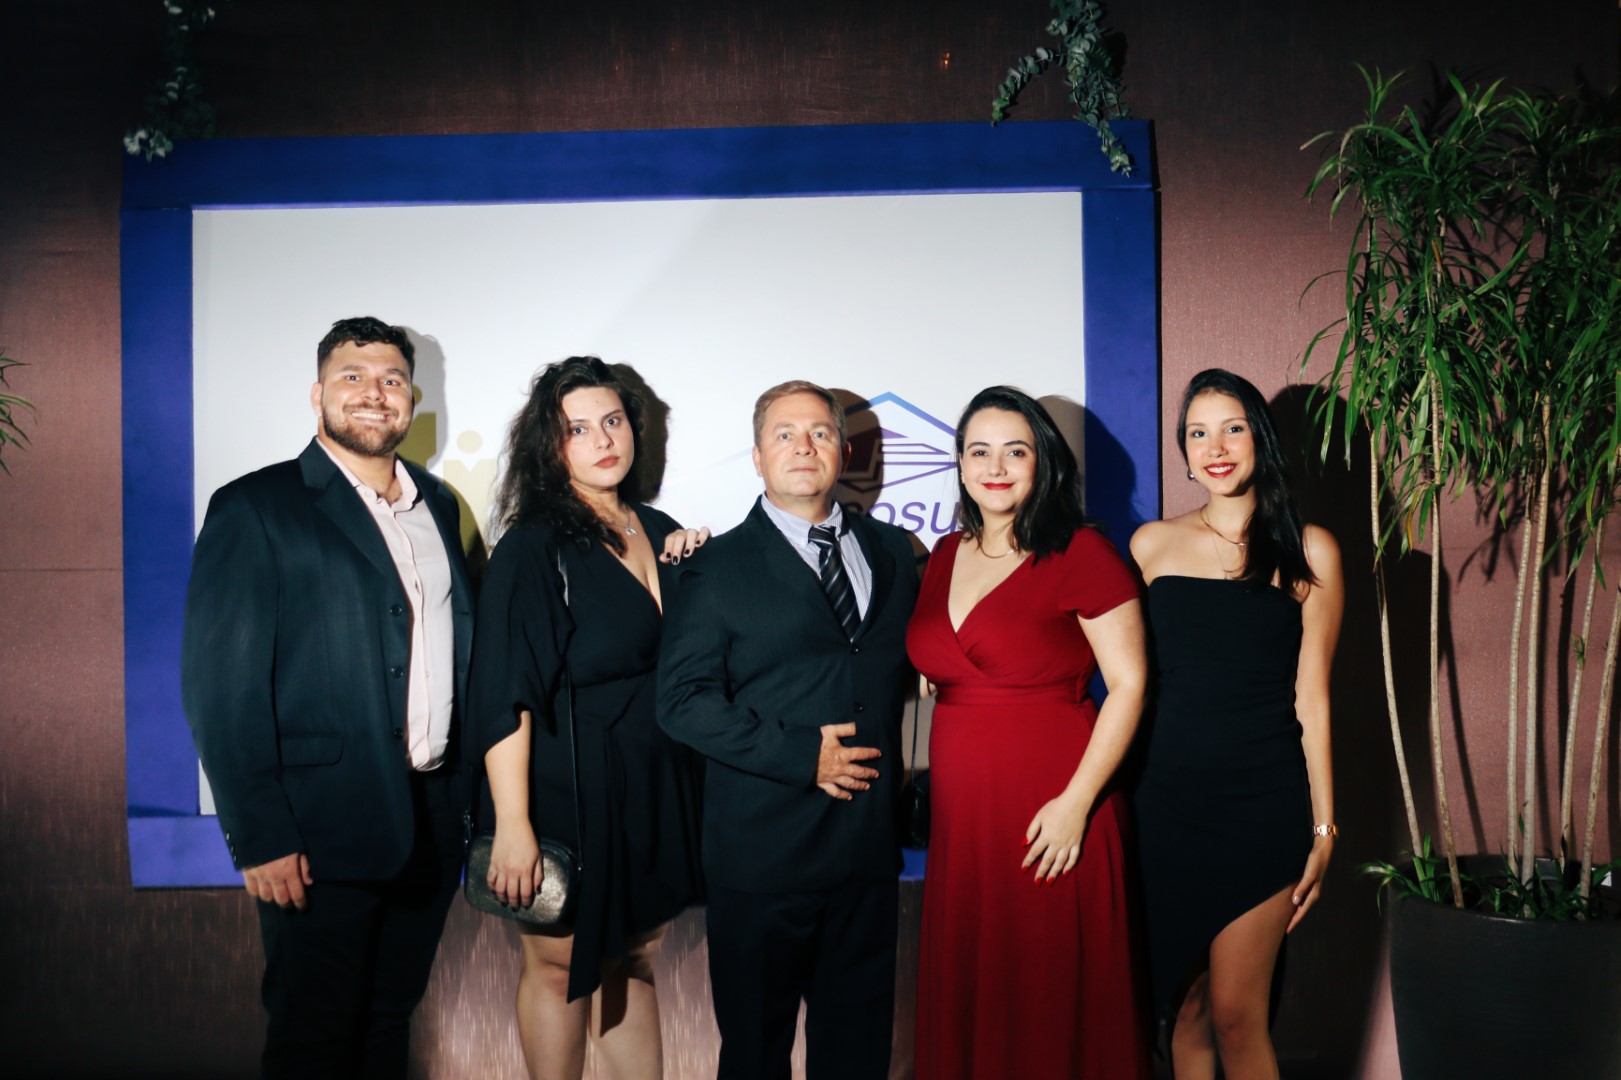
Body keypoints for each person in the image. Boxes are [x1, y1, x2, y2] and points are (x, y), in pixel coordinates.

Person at [181, 316, 474, 1078]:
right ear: (317, 395)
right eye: (352, 376)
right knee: (313, 1036)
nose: (374, 393)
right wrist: (260, 833)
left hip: (432, 818)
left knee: (389, 1020)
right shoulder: (256, 507)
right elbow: (219, 687)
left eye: (391, 379)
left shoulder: (439, 506)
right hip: (317, 830)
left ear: (411, 401)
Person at [657, 380, 920, 1080]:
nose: (802, 447)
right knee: (755, 1056)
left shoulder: (895, 552)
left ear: (844, 452)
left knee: (858, 1056)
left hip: (866, 857)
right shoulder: (712, 565)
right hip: (761, 861)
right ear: (756, 456)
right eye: (783, 434)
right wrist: (805, 756)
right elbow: (681, 702)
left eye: (820, 433)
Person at [467, 356, 708, 1080]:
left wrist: (699, 565)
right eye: (577, 428)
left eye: (613, 421)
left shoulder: (659, 528)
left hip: (654, 784)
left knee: (633, 956)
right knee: (557, 963)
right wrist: (514, 825)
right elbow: (505, 694)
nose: (603, 440)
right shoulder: (533, 545)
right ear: (549, 446)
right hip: (565, 786)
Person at [905, 385, 1154, 1080]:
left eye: (1014, 451)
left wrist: (1076, 803)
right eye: (979, 451)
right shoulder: (943, 554)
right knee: (980, 988)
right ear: (959, 465)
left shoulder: (1081, 551)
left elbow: (1130, 685)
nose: (995, 467)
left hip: (1054, 805)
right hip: (967, 819)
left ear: (1042, 461)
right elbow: (947, 657)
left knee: (1051, 994)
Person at [1130, 368, 1342, 1080]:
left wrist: (1324, 829)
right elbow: (1123, 678)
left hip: (1262, 806)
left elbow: (1312, 700)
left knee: (1235, 1014)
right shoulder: (1149, 545)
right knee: (1184, 1009)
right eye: (1197, 433)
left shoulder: (1310, 550)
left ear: (1261, 440)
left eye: (1232, 428)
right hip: (1163, 805)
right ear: (1184, 453)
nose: (1214, 447)